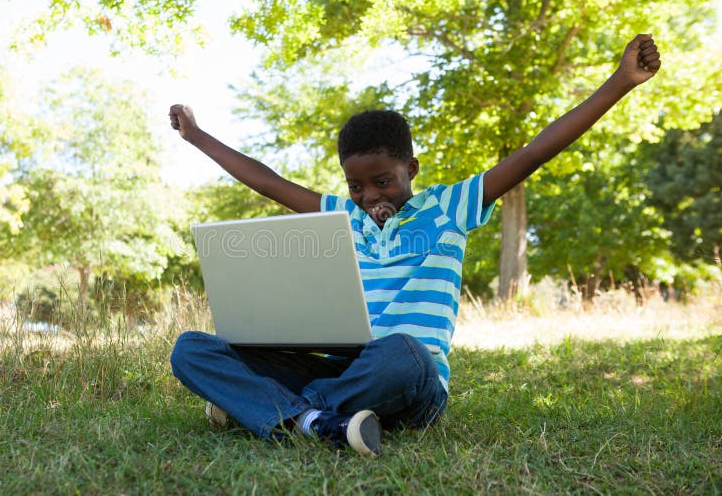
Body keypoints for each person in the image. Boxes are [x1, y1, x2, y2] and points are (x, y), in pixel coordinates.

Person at [169, 34, 661, 457]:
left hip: (409, 380)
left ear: (412, 169)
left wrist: (620, 82)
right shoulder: (344, 218)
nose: (369, 197)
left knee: (401, 352)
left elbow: (534, 151)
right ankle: (316, 422)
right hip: (348, 368)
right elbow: (267, 181)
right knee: (191, 350)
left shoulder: (450, 208)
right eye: (357, 187)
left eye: (382, 181)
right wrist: (197, 136)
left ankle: (269, 407)